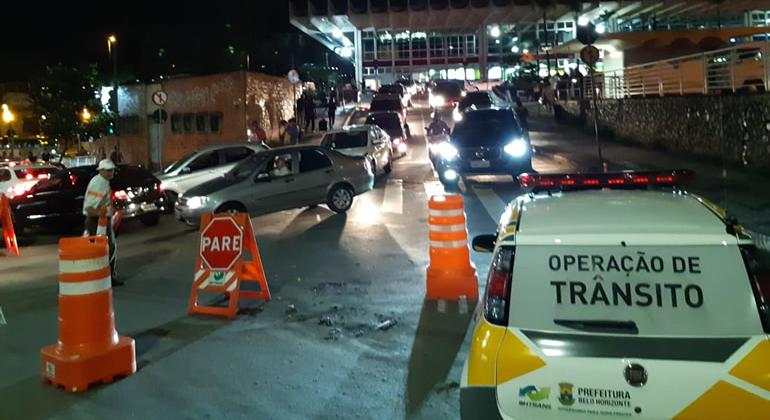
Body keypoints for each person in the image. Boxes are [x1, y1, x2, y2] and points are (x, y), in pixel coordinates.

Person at [83, 159, 123, 286]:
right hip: (97, 222)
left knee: (103, 250)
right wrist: (104, 215)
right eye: (109, 170)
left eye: (112, 170)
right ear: (101, 171)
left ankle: (102, 277)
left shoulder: (101, 181)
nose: (112, 172)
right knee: (108, 249)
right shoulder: (99, 183)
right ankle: (107, 277)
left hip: (99, 221)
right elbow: (90, 208)